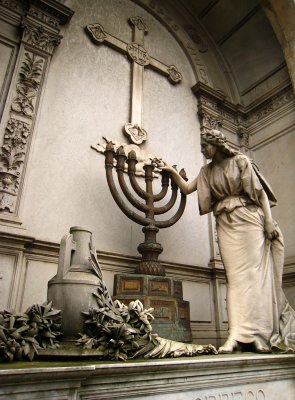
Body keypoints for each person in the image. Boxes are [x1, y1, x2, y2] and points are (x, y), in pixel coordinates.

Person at [155, 129, 295, 353]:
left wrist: (269, 221)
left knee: (254, 279)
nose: (203, 150)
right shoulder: (206, 171)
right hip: (226, 225)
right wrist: (172, 171)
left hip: (250, 221)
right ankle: (236, 334)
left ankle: (258, 335)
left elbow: (261, 195)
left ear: (216, 144)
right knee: (235, 279)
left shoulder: (240, 162)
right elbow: (187, 188)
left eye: (205, 146)